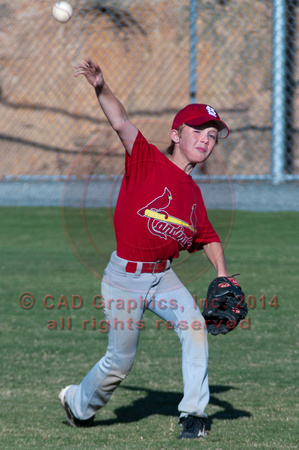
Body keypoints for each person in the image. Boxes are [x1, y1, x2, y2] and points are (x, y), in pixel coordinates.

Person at [59, 58, 231, 440]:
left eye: (212, 136)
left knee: (195, 327)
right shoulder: (146, 159)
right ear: (176, 134)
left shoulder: (194, 194)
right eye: (198, 131)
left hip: (163, 278)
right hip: (124, 277)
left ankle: (194, 414)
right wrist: (101, 87)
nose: (205, 139)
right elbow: (120, 121)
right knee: (119, 363)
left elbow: (208, 236)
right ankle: (77, 403)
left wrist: (221, 274)